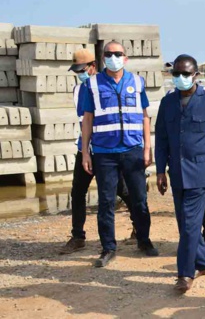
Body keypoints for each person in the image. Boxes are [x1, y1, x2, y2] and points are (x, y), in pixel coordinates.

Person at [80, 41, 158, 267]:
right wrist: (85, 152)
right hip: (105, 152)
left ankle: (144, 240)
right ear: (103, 58)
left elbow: (144, 116)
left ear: (125, 58)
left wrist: (147, 148)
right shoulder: (92, 84)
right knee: (106, 201)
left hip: (133, 150)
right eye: (109, 54)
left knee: (139, 199)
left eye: (118, 53)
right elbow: (87, 119)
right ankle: (108, 248)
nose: (113, 57)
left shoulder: (136, 82)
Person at [155, 54, 205, 293]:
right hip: (176, 173)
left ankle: (185, 274)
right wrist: (160, 171)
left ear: (196, 75)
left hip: (200, 173)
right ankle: (204, 263)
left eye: (185, 74)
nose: (181, 78)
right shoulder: (168, 103)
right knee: (186, 223)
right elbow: (162, 140)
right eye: (176, 74)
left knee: (188, 226)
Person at [59, 49, 135, 254]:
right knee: (78, 191)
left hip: (106, 150)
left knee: (122, 190)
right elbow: (84, 121)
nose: (79, 74)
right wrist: (84, 150)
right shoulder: (78, 90)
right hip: (86, 149)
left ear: (93, 66)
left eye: (82, 70)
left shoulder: (106, 86)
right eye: (76, 71)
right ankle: (78, 236)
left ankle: (138, 226)